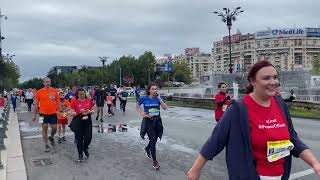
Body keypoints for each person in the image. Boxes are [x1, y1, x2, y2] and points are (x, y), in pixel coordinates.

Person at [187, 60, 320, 180]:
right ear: (252, 81)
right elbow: (216, 140)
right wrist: (195, 170)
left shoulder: (280, 104)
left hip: (281, 175)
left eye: (275, 77)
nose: (273, 82)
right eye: (266, 78)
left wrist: (315, 163)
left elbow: (292, 139)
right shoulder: (238, 109)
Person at [136, 83, 168, 170]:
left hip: (157, 121)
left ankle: (147, 148)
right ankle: (155, 161)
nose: (155, 90)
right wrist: (142, 113)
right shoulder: (144, 98)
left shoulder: (159, 98)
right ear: (149, 90)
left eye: (156, 89)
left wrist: (160, 99)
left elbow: (165, 108)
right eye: (153, 89)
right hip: (148, 122)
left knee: (155, 138)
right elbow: (137, 105)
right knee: (153, 141)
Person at [32, 77, 60, 152]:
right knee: (44, 127)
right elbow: (36, 104)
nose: (48, 83)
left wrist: (60, 111)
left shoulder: (54, 91)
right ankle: (46, 145)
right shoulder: (39, 92)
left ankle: (51, 137)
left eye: (49, 82)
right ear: (43, 83)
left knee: (54, 128)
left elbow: (58, 101)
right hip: (42, 114)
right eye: (46, 82)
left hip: (53, 113)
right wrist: (34, 115)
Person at [69, 88, 94, 162]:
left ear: (85, 94)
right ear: (77, 95)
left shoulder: (89, 100)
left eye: (83, 94)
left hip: (87, 121)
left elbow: (93, 110)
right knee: (79, 139)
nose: (82, 95)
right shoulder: (75, 102)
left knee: (88, 137)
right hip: (78, 121)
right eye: (80, 94)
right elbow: (71, 113)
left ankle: (85, 148)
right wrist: (79, 112)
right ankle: (80, 155)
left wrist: (89, 111)